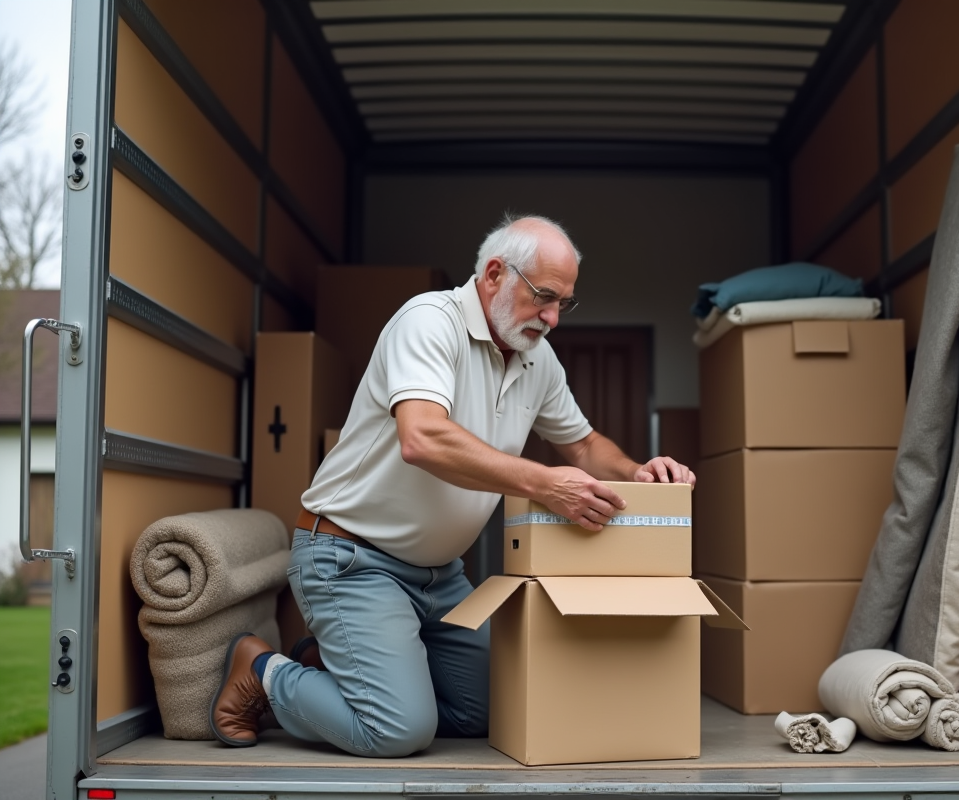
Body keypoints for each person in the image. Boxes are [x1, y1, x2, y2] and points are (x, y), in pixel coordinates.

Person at [209, 214, 696, 757]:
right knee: (398, 732)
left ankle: (329, 666)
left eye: (565, 303)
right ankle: (262, 670)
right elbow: (423, 438)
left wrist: (637, 471)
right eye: (544, 297)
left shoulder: (537, 357)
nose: (554, 318)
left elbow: (582, 446)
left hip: (440, 579)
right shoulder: (428, 322)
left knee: (495, 709)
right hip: (349, 560)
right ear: (494, 274)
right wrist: (544, 483)